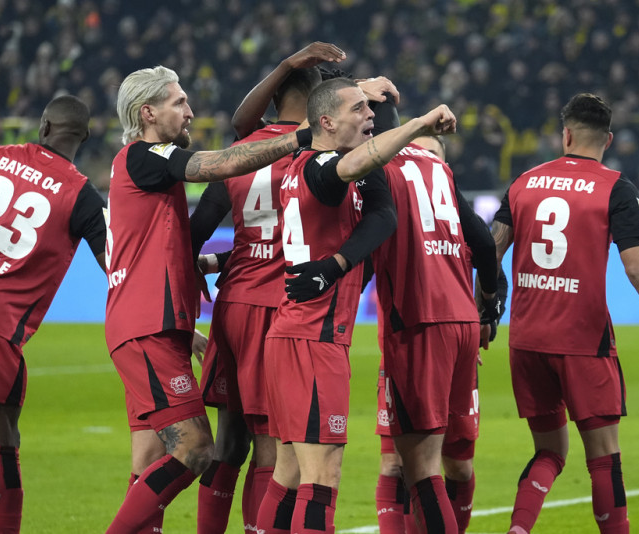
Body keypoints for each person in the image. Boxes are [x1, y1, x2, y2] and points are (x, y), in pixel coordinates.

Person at [103, 64, 328, 532]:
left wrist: (195, 300)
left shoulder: (146, 170)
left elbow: (172, 244)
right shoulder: (144, 156)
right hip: (147, 326)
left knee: (161, 454)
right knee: (198, 448)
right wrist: (300, 137)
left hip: (158, 325)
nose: (190, 112)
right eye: (179, 102)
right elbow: (220, 164)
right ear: (147, 113)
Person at [490, 93, 639, 534]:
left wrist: (484, 313)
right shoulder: (616, 188)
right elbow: (637, 267)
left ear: (566, 135)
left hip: (526, 341)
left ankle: (518, 529)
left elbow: (491, 250)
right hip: (582, 341)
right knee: (604, 458)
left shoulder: (524, 182)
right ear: (607, 140)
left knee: (549, 451)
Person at [256, 77, 456, 534]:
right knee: (322, 477)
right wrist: (420, 124)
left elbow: (382, 213)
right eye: (359, 110)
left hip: (295, 335)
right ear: (326, 123)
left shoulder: (302, 165)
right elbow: (352, 165)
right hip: (314, 339)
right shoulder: (321, 166)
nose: (370, 116)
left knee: (288, 474)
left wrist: (337, 263)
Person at [189, 42, 343, 534]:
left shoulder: (242, 152)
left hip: (233, 305)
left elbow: (195, 231)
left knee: (228, 442)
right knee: (272, 447)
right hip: (278, 307)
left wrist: (207, 265)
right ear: (319, 104)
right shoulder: (317, 155)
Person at [0, 94, 106, 533]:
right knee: (1, 437)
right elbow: (116, 266)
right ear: (84, 138)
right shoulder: (82, 196)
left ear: (44, 126)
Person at [371, 135, 504, 534]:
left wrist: (487, 314)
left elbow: (492, 265)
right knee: (395, 463)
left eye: (431, 155)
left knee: (455, 467)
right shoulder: (391, 204)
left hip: (445, 345)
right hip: (405, 347)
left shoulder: (454, 219)